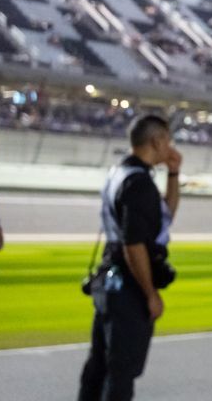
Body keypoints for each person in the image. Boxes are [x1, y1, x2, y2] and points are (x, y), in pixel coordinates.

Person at [78, 114, 182, 401]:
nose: (170, 147)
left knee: (99, 365)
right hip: (127, 285)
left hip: (109, 280)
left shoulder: (121, 174)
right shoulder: (138, 183)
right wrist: (150, 294)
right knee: (120, 372)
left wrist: (173, 174)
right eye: (168, 140)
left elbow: (163, 218)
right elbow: (134, 245)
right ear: (157, 141)